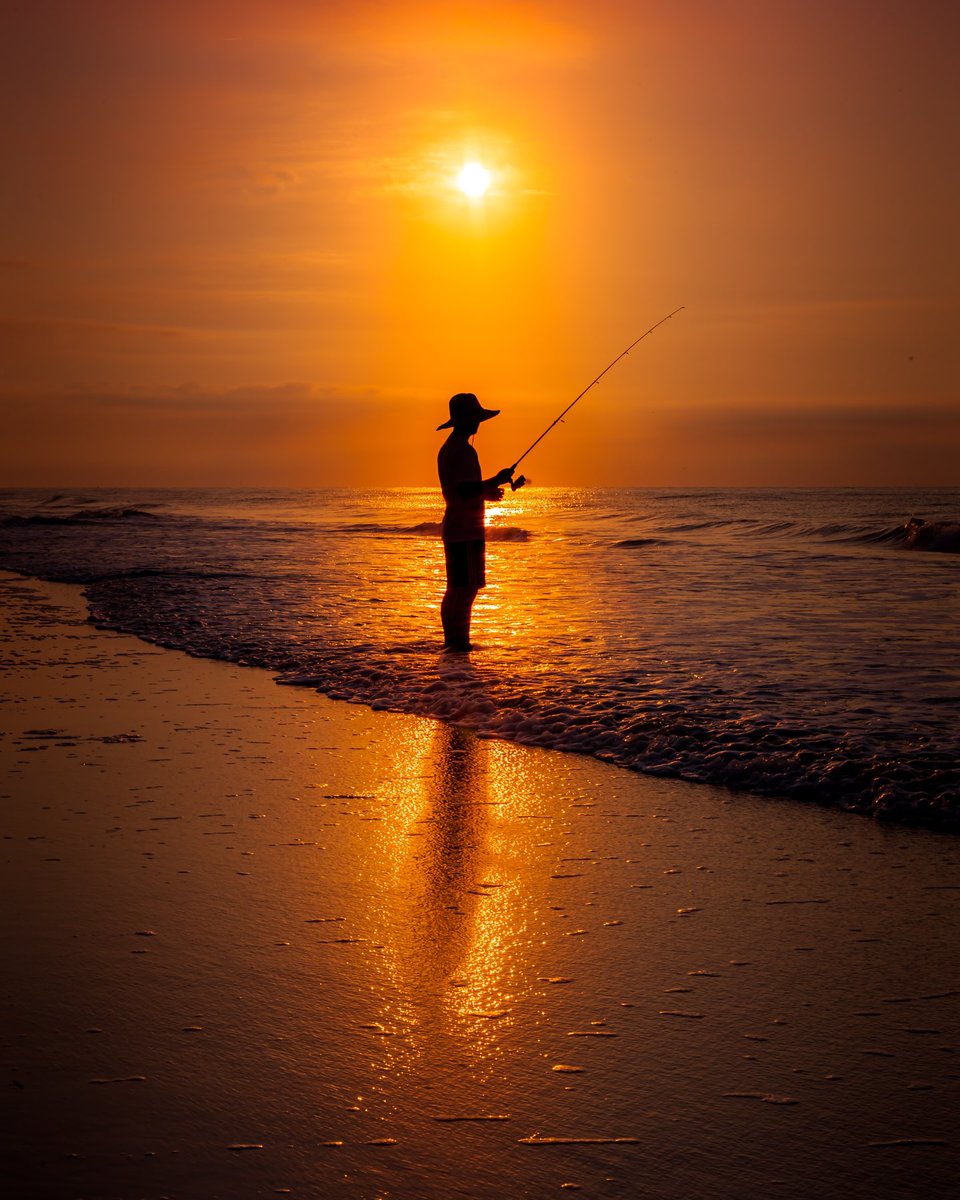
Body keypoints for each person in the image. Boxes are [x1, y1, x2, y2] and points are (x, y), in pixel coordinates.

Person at [436, 392, 514, 651]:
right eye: (475, 418)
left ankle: (455, 645)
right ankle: (458, 645)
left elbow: (461, 490)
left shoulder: (448, 448)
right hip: (465, 531)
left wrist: (487, 493)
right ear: (468, 421)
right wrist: (497, 479)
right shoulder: (462, 450)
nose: (478, 423)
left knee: (459, 589)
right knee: (464, 590)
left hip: (458, 526)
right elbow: (465, 490)